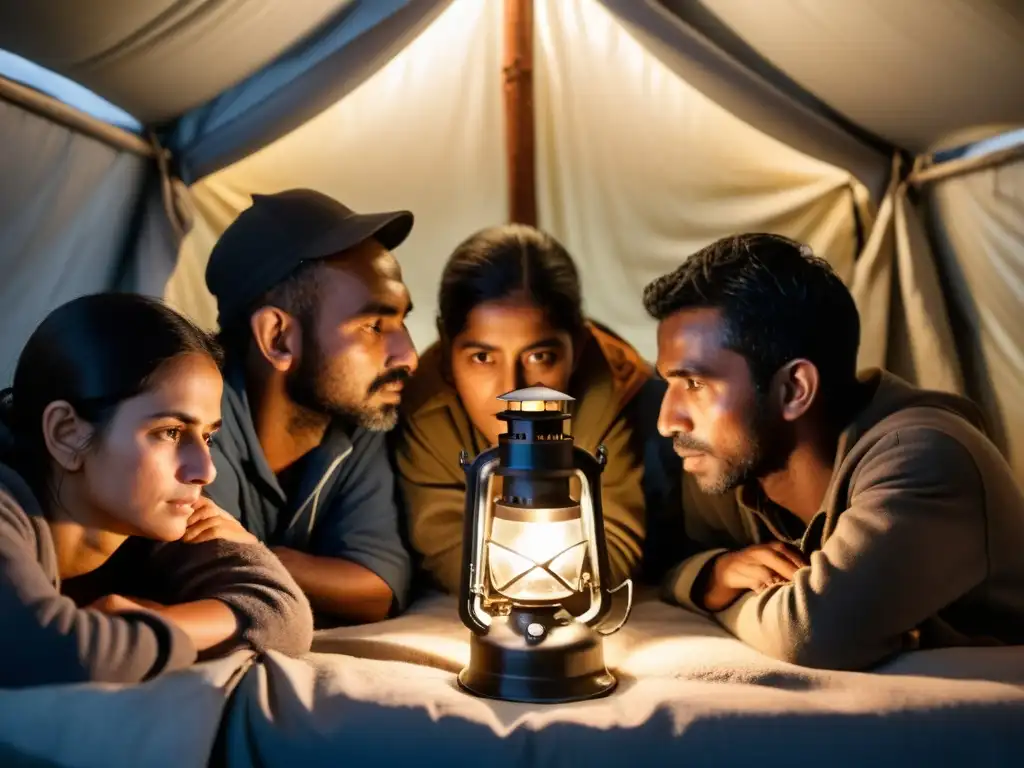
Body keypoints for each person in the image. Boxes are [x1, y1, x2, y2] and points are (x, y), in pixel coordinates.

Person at [645, 232, 1024, 671]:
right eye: (668, 384)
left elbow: (810, 634)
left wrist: (718, 601)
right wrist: (716, 575)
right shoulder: (734, 469)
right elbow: (671, 569)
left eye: (694, 384)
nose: (667, 420)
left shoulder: (926, 459)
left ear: (793, 389)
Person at [0, 293, 314, 688]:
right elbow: (49, 652)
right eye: (169, 432)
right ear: (66, 434)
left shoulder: (157, 508)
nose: (205, 470)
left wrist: (161, 622)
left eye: (208, 437)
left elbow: (283, 613)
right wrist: (172, 633)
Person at [394, 223, 677, 594]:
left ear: (577, 346)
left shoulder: (614, 390)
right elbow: (447, 548)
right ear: (448, 351)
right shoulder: (424, 404)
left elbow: (613, 550)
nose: (512, 388)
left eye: (539, 356)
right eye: (482, 357)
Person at [203, 189, 417, 626]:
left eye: (402, 321)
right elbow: (207, 575)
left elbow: (379, 587)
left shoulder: (359, 421)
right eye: (375, 325)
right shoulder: (189, 418)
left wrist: (259, 554)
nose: (409, 355)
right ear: (277, 337)